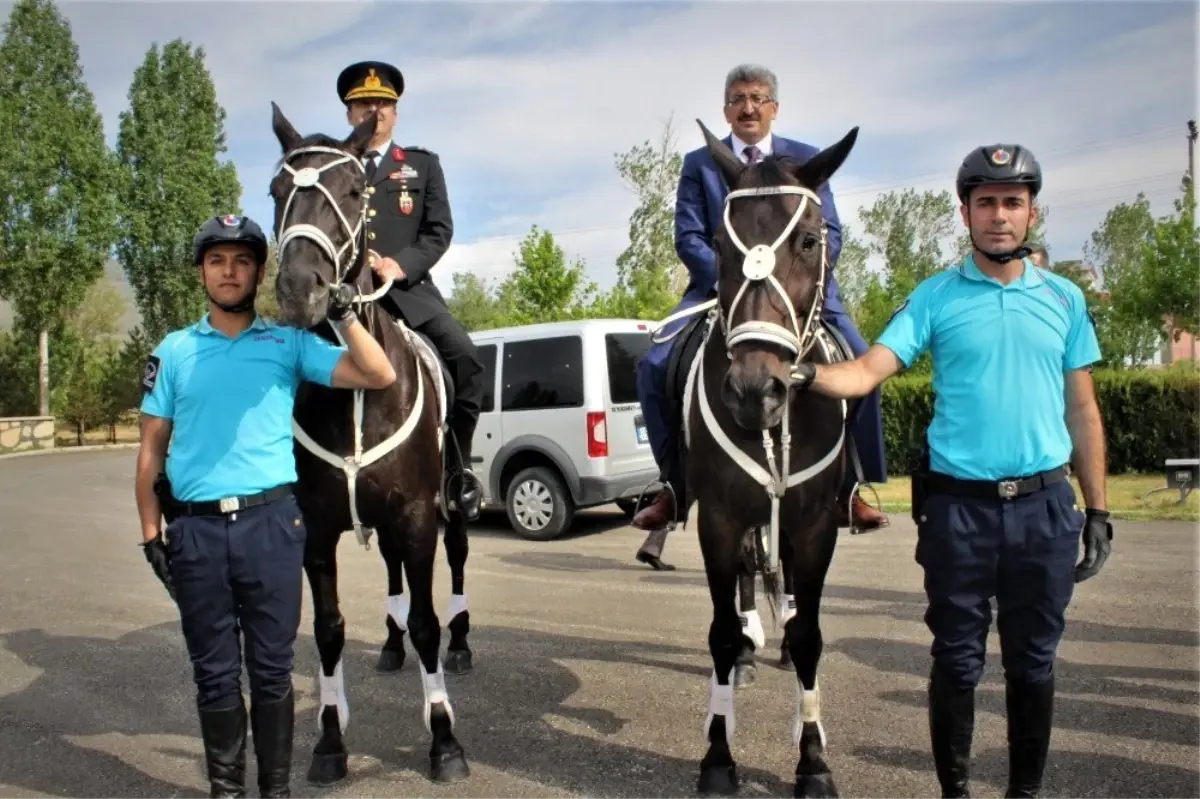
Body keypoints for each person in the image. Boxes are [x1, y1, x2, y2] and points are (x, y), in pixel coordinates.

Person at [790, 143, 1114, 798]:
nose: (1000, 215)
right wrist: (802, 373)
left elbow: (1082, 409)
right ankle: (956, 793)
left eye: (1013, 202)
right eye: (986, 202)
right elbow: (869, 369)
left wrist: (1099, 508)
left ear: (1032, 211)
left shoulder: (1064, 299)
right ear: (965, 211)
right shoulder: (934, 298)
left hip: (1045, 508)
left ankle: (1024, 792)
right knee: (958, 662)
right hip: (959, 513)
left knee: (1032, 663)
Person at [136, 215, 398, 798]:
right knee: (215, 674)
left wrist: (343, 310)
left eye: (242, 260)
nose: (229, 271)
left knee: (273, 671)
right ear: (202, 271)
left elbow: (377, 372)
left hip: (272, 525)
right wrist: (152, 536)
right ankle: (227, 792)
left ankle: (274, 791)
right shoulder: (174, 351)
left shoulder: (288, 344)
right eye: (216, 260)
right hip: (196, 532)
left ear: (258, 271)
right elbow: (152, 448)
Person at [632, 62, 889, 569]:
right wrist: (738, 279)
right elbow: (688, 236)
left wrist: (788, 279)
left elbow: (830, 233)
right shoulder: (700, 163)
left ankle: (853, 486)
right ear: (725, 109)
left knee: (864, 363)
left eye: (757, 97)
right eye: (737, 98)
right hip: (721, 288)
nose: (747, 107)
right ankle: (673, 486)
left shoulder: (807, 159)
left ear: (774, 106)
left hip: (799, 293)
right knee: (654, 363)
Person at [334, 59, 485, 520]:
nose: (373, 111)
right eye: (363, 104)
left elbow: (439, 231)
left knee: (467, 359)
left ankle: (456, 471)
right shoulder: (334, 165)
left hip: (409, 295)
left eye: (382, 103)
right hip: (345, 300)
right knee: (290, 363)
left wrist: (401, 266)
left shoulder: (421, 165)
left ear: (395, 112)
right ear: (348, 114)